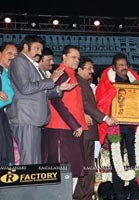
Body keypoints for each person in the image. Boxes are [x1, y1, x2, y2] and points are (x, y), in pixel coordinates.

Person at [6, 35, 75, 165]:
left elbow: (42, 92)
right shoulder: (19, 61)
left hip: (34, 120)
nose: (39, 52)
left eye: (40, 49)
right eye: (36, 48)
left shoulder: (33, 65)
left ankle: (31, 186)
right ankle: (25, 187)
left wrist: (59, 89)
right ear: (26, 47)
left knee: (34, 163)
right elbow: (25, 88)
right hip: (25, 118)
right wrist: (51, 80)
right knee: (27, 163)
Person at [96, 53, 139, 200]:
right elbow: (101, 100)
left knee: (134, 160)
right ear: (114, 67)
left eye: (125, 65)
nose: (124, 68)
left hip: (132, 127)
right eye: (121, 65)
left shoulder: (134, 82)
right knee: (115, 161)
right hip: (115, 126)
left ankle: (136, 192)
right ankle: (119, 194)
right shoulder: (108, 83)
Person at [43, 45, 87, 193]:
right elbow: (56, 101)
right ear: (64, 57)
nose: (76, 61)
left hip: (71, 128)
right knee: (62, 171)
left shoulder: (71, 74)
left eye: (78, 58)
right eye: (73, 57)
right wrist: (74, 125)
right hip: (61, 128)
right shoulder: (61, 73)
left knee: (72, 170)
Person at [73, 57, 117, 200]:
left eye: (92, 68)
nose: (92, 71)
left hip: (90, 132)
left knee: (88, 167)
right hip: (85, 132)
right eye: (89, 68)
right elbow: (85, 104)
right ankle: (81, 196)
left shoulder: (84, 83)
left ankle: (86, 195)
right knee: (84, 167)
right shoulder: (78, 83)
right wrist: (105, 118)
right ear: (79, 69)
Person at [0, 42, 18, 167]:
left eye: (15, 54)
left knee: (3, 154)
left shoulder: (5, 72)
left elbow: (7, 96)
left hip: (0, 116)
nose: (13, 57)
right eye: (9, 53)